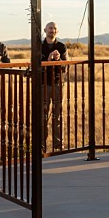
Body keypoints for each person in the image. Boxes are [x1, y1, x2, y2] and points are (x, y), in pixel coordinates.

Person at [40, 22, 68, 151]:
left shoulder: (62, 47)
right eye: (50, 28)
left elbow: (65, 67)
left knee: (58, 115)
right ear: (45, 30)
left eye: (55, 28)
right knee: (42, 116)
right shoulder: (39, 46)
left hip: (57, 84)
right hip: (43, 84)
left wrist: (58, 61)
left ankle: (58, 146)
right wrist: (48, 60)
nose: (53, 30)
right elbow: (35, 65)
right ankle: (41, 146)